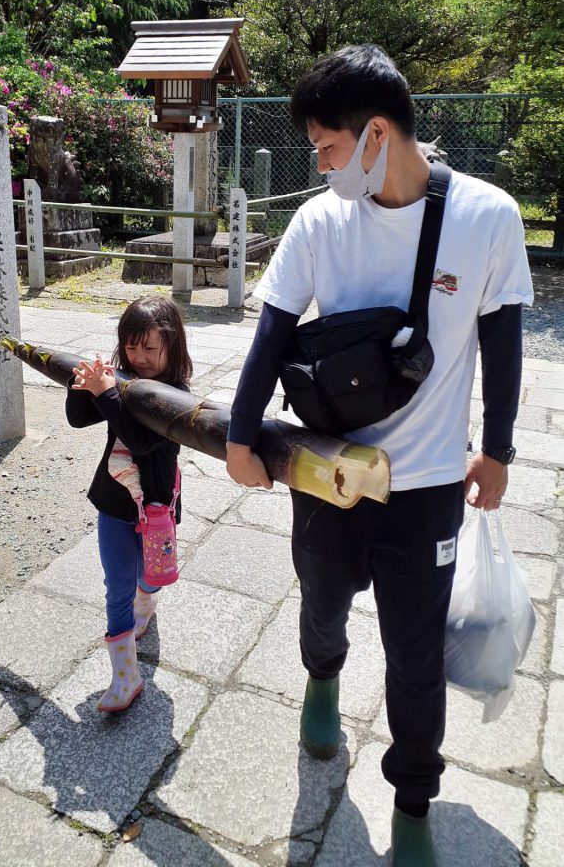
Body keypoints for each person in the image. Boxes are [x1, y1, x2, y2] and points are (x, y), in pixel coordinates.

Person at [225, 45, 533, 866]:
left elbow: (503, 343)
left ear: (376, 135)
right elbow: (273, 329)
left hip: (428, 482)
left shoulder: (487, 217)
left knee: (416, 654)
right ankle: (322, 677)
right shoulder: (321, 221)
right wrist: (239, 435)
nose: (320, 164)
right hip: (329, 470)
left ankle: (412, 804)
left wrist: (498, 451)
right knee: (322, 602)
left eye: (328, 147)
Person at [65, 296, 192, 712]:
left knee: (149, 576)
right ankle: (125, 676)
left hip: (156, 508)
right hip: (114, 504)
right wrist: (83, 384)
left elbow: (139, 440)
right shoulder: (122, 382)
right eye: (131, 347)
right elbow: (79, 419)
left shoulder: (179, 399)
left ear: (172, 346)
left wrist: (107, 395)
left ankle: (147, 602)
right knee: (117, 584)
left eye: (150, 348)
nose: (139, 357)